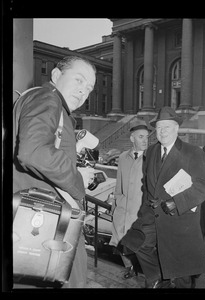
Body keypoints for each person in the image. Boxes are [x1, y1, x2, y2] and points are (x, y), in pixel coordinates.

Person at [13, 56, 96, 288]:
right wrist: (78, 179)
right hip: (48, 223)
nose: (83, 91)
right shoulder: (48, 97)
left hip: (34, 221)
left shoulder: (45, 102)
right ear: (56, 76)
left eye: (89, 88)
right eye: (79, 80)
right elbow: (34, 151)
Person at [119, 106, 205, 288]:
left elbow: (204, 187)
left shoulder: (193, 152)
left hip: (179, 221)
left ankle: (168, 279)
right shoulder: (152, 151)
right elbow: (146, 184)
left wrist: (175, 202)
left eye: (166, 127)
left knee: (182, 275)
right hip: (152, 216)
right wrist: (145, 210)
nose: (162, 132)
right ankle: (157, 278)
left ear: (176, 128)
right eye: (159, 128)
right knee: (136, 244)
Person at [109, 119, 150, 279]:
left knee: (140, 246)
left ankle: (147, 274)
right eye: (141, 137)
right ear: (132, 138)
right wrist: (115, 203)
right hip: (122, 210)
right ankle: (130, 268)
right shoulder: (122, 157)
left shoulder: (150, 159)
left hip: (139, 212)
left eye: (147, 137)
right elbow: (119, 185)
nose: (145, 140)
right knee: (120, 243)